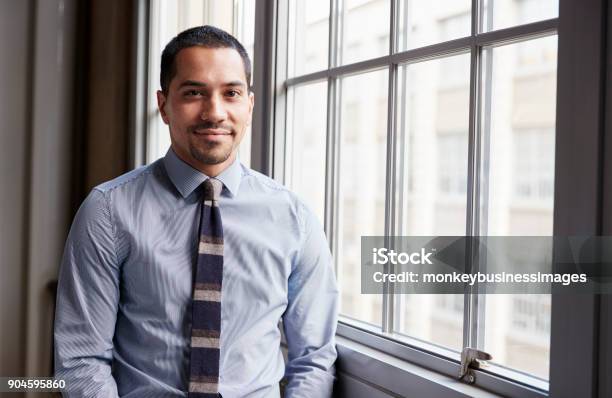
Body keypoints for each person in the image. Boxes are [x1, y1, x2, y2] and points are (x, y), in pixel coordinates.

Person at [54, 25, 339, 397]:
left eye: (231, 93)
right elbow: (82, 358)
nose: (214, 112)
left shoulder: (293, 217)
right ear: (163, 105)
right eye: (193, 93)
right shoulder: (107, 211)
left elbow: (314, 357)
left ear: (249, 105)